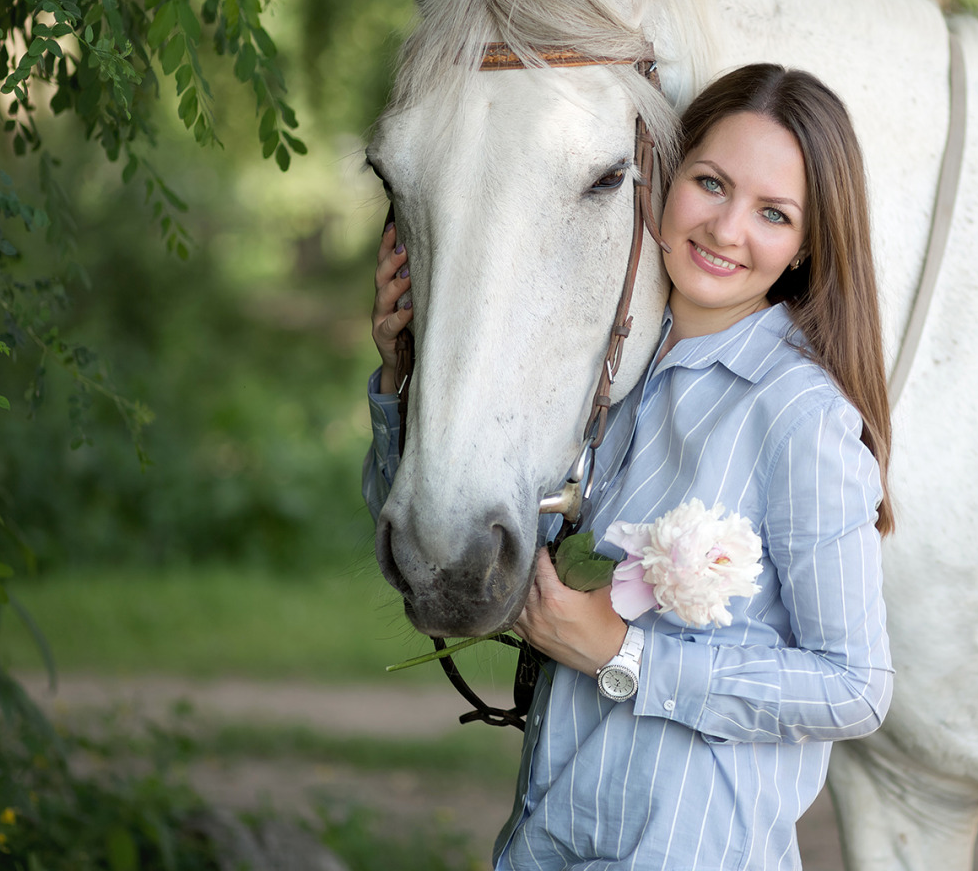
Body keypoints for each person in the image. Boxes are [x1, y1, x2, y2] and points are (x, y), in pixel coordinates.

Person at [365, 63, 894, 870]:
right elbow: (435, 536)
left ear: (804, 247)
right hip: (545, 844)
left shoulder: (798, 414)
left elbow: (856, 686)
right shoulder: (608, 378)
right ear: (662, 179)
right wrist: (399, 374)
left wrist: (626, 655)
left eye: (773, 213)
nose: (725, 229)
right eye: (711, 183)